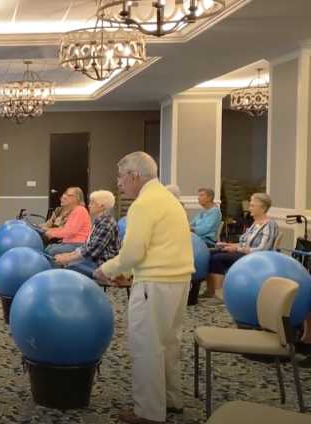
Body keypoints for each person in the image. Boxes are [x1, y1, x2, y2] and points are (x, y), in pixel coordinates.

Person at [94, 152, 194, 424]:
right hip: (178, 281)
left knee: (147, 348)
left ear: (134, 176)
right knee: (168, 345)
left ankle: (149, 412)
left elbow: (133, 252)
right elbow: (157, 246)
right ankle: (171, 400)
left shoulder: (143, 204)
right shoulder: (168, 199)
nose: (119, 183)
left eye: (120, 176)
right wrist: (127, 274)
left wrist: (107, 269)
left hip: (155, 284)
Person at [202, 193, 278, 307]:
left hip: (256, 257)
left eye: (253, 206)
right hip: (245, 252)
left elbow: (263, 249)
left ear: (263, 208)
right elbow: (245, 242)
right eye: (250, 205)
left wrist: (238, 248)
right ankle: (210, 290)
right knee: (209, 253)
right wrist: (228, 245)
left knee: (218, 259)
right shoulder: (256, 222)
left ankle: (220, 296)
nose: (250, 208)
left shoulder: (269, 225)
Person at [53, 190, 120, 278]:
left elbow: (92, 251)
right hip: (94, 261)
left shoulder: (106, 224)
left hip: (102, 265)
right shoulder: (99, 221)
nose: (89, 205)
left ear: (102, 206)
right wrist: (68, 255)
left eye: (92, 203)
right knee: (67, 264)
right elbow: (87, 245)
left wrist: (67, 258)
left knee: (68, 270)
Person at [43, 187, 92, 259]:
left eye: (69, 195)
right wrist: (51, 231)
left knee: (51, 251)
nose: (65, 197)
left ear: (76, 198)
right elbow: (66, 229)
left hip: (78, 243)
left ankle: (58, 266)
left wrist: (52, 234)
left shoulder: (80, 210)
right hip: (69, 242)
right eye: (66, 194)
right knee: (48, 248)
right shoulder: (74, 211)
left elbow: (71, 232)